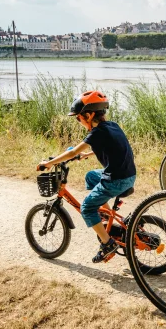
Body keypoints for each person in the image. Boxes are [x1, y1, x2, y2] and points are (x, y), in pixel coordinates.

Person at [39, 90, 136, 264]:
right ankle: (106, 218)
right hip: (128, 175)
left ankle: (107, 243)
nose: (78, 121)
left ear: (89, 115)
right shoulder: (112, 126)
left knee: (86, 208)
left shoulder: (97, 132)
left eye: (78, 118)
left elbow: (74, 151)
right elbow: (110, 147)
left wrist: (49, 163)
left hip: (116, 180)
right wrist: (87, 155)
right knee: (91, 176)